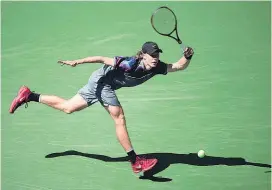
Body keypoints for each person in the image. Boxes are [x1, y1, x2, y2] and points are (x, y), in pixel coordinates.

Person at [9, 41, 194, 174]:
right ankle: (135, 161)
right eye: (152, 55)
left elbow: (178, 66)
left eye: (157, 54)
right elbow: (101, 58)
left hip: (99, 82)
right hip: (102, 82)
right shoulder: (129, 63)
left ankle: (29, 95)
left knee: (68, 107)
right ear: (143, 55)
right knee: (119, 117)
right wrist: (77, 61)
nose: (156, 58)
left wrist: (187, 57)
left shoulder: (157, 67)